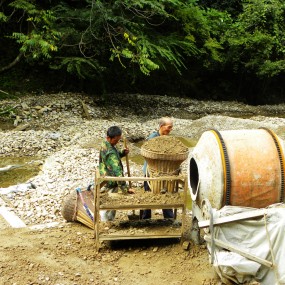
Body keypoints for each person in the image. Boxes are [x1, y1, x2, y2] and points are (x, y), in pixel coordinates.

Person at [140, 117, 175, 220]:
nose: (170, 130)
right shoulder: (153, 138)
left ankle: (169, 219)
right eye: (169, 127)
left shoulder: (167, 139)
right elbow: (151, 153)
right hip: (150, 173)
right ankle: (145, 220)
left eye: (171, 128)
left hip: (163, 173)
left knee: (166, 195)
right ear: (161, 126)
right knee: (148, 196)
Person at [99, 125, 134, 221]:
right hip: (111, 180)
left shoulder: (105, 144)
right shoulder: (110, 152)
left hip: (105, 176)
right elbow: (118, 173)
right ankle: (106, 223)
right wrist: (126, 189)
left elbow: (114, 154)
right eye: (116, 140)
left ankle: (109, 220)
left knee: (109, 202)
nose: (117, 142)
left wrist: (122, 153)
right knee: (109, 204)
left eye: (118, 140)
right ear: (108, 138)